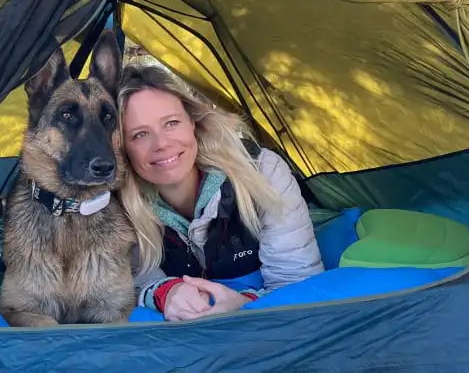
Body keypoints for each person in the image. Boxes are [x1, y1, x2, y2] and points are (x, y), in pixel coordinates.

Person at [119, 64, 323, 322]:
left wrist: (244, 304)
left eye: (171, 123)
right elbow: (131, 278)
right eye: (139, 135)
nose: (162, 144)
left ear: (192, 121)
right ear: (121, 147)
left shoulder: (262, 172)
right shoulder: (119, 205)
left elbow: (298, 285)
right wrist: (166, 291)